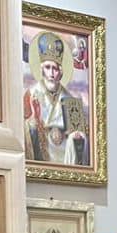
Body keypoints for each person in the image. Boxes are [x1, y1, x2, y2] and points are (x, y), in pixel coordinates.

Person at [24, 29, 89, 166]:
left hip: (65, 157)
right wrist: (34, 121)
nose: (52, 73)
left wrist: (77, 136)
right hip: (42, 154)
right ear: (41, 69)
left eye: (55, 68)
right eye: (48, 68)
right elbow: (23, 130)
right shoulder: (31, 95)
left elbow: (81, 135)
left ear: (61, 71)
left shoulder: (70, 100)